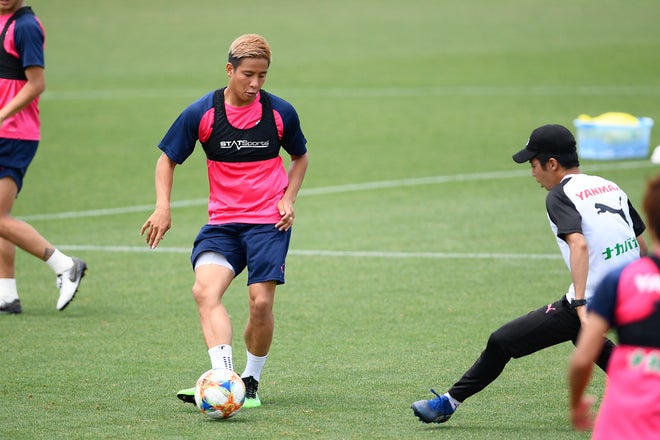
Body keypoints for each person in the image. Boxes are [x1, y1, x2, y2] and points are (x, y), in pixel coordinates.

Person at [411, 124, 648, 423]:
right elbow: (639, 242)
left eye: (534, 164)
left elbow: (578, 244)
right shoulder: (609, 186)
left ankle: (448, 403)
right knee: (584, 335)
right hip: (634, 289)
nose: (533, 173)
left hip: (597, 298)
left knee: (502, 341)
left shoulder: (560, 195)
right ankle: (644, 385)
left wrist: (579, 303)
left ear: (552, 164)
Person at [140, 34, 309, 409]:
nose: (255, 84)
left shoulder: (280, 113)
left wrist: (288, 197)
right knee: (205, 292)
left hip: (268, 223)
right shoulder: (202, 113)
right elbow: (167, 159)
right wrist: (162, 206)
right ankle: (224, 379)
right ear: (229, 70)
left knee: (260, 303)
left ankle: (250, 382)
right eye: (248, 74)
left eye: (262, 76)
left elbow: (300, 157)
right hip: (223, 225)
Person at [0, 0, 87, 314]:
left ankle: (64, 265)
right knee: (2, 216)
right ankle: (6, 294)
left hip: (13, 134)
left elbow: (36, 83)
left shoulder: (25, 27)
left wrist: (1, 115)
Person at [569, 174, 660, 438]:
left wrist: (576, 405)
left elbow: (582, 359)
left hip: (624, 421)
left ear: (649, 222)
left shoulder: (620, 280)